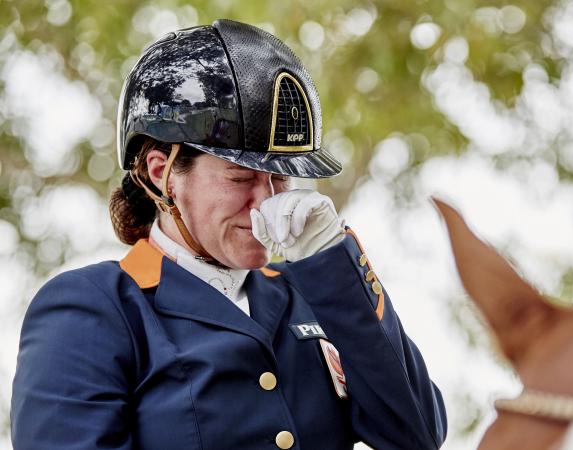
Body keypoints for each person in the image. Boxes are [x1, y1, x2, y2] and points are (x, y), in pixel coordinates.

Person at [11, 19, 447, 450]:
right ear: (163, 174)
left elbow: (418, 435)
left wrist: (333, 259)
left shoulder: (312, 295)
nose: (266, 202)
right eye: (241, 178)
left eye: (281, 178)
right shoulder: (92, 308)